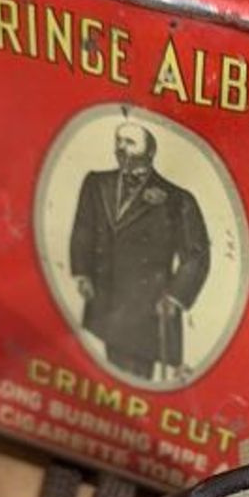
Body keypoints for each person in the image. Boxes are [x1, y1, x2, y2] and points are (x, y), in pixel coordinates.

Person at [69, 118, 210, 380]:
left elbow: (196, 254)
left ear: (149, 151)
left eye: (130, 142)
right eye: (118, 142)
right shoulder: (96, 183)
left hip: (148, 307)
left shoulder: (177, 199)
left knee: (134, 375)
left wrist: (175, 297)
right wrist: (82, 272)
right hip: (105, 297)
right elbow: (84, 228)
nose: (121, 148)